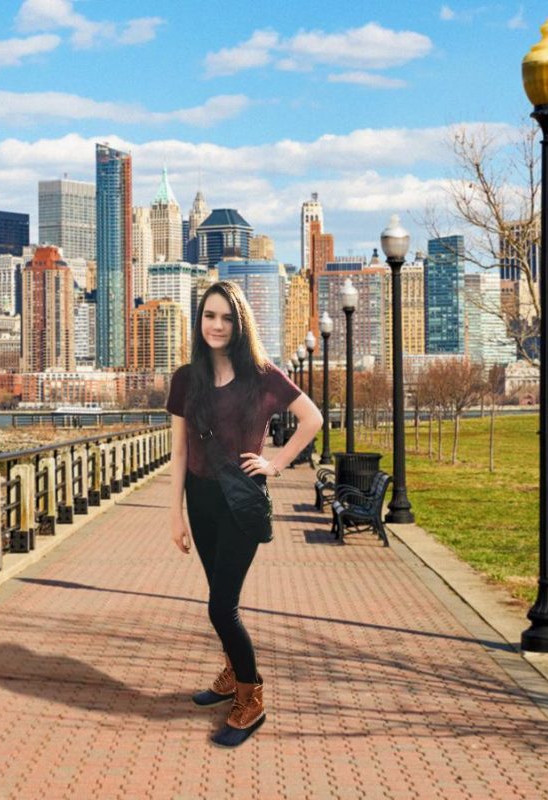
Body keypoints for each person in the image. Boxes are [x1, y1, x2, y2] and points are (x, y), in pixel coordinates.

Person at [166, 280, 323, 748]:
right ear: (200, 322)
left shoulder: (263, 375)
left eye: (226, 318)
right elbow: (177, 452)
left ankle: (251, 697)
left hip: (242, 501)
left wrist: (275, 464)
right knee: (218, 596)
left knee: (221, 606)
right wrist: (174, 514)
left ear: (240, 323)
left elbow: (312, 418)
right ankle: (233, 673)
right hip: (201, 497)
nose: (216, 325)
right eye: (209, 316)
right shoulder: (185, 379)